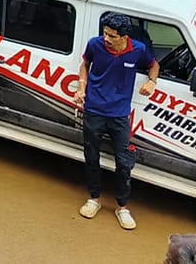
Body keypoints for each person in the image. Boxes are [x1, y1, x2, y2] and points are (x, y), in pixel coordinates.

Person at [75, 13, 158, 231]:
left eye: (111, 35)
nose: (106, 38)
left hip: (120, 115)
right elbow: (85, 64)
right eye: (105, 33)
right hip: (93, 110)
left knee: (123, 162)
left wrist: (151, 82)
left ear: (123, 37)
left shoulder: (138, 50)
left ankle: (122, 207)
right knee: (91, 156)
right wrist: (82, 86)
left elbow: (153, 65)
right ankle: (94, 199)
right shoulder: (95, 44)